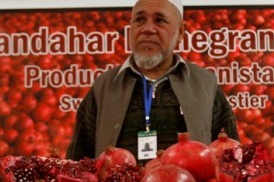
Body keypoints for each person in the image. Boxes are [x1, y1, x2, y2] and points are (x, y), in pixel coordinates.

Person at [66, 0, 239, 163]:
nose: (147, 28)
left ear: (180, 32)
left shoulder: (206, 85)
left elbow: (230, 158)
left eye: (160, 20)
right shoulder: (103, 87)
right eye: (140, 20)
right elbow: (78, 166)